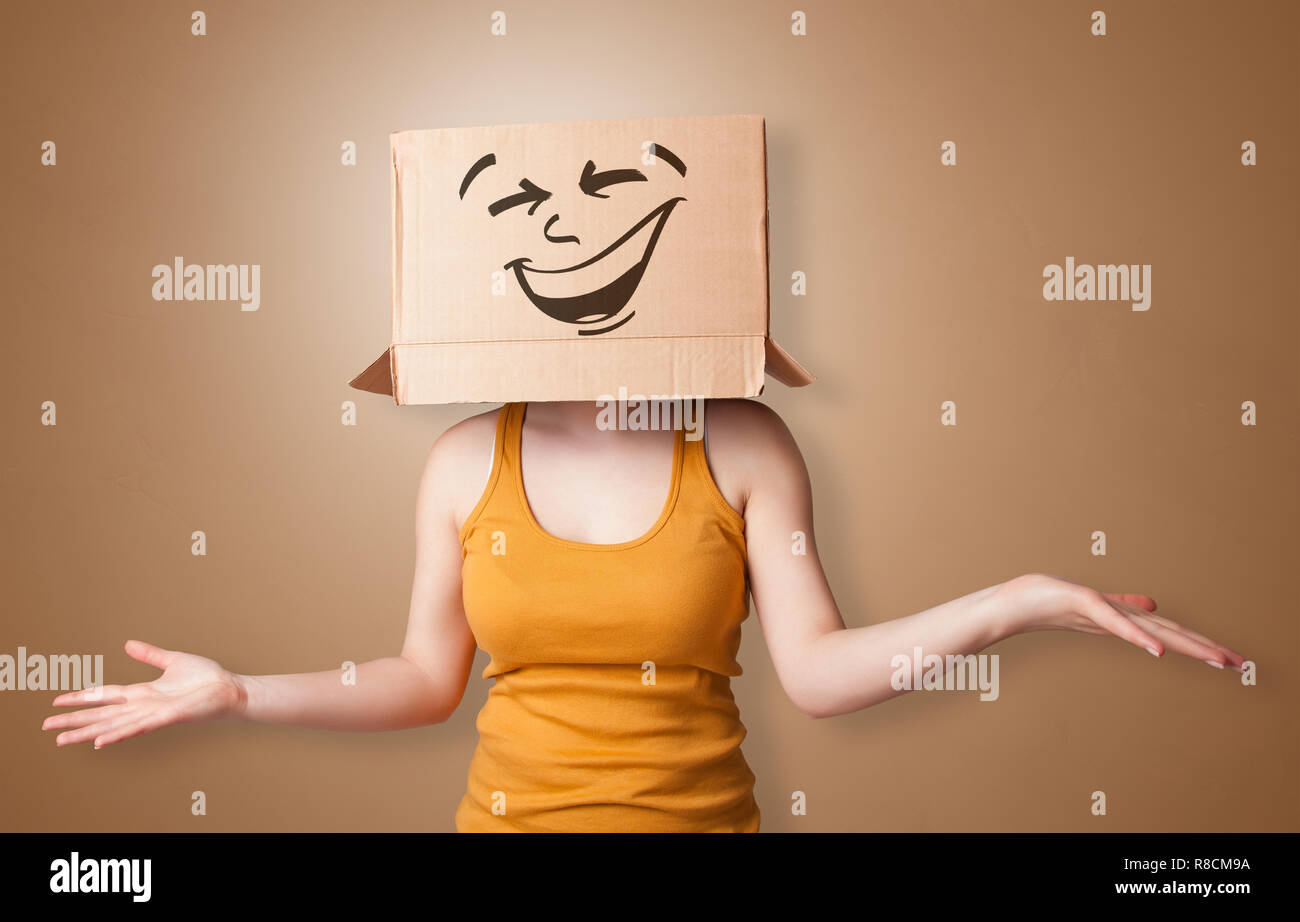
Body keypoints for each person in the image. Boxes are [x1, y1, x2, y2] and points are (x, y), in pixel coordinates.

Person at [42, 398, 1245, 832]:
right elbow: (421, 678)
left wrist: (1015, 604)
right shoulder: (467, 459)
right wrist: (240, 691)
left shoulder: (742, 440)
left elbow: (815, 671)